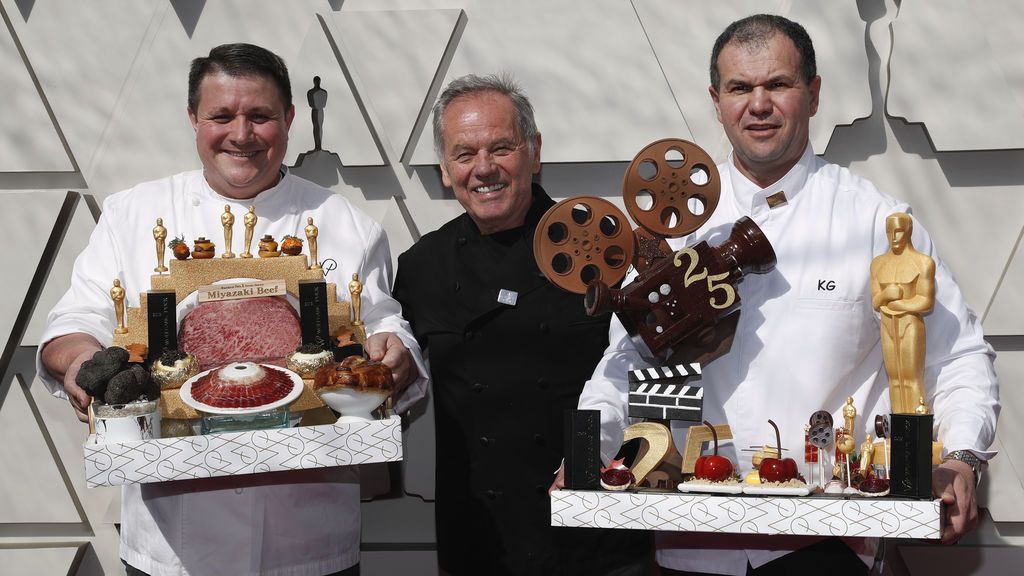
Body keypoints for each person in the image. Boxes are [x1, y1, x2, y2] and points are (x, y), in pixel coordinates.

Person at [562, 14, 998, 576]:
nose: (758, 104)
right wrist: (585, 456)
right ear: (716, 101)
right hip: (689, 544)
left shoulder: (873, 220)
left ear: (813, 96)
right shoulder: (670, 228)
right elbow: (624, 367)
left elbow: (957, 356)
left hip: (827, 547)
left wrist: (961, 458)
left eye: (778, 84)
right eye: (740, 88)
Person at [37, 43, 428, 576]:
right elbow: (74, 324)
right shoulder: (132, 216)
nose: (240, 134)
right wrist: (84, 362)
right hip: (174, 545)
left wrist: (395, 353)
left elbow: (383, 326)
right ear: (193, 119)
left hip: (310, 544)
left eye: (260, 116)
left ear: (289, 119)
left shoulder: (346, 226)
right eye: (221, 115)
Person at [393, 74, 651, 575]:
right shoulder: (423, 265)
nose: (484, 168)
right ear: (445, 170)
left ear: (534, 152)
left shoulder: (603, 245)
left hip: (598, 536)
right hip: (479, 539)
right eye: (464, 154)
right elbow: (397, 379)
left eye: (502, 148)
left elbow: (647, 375)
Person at [872, 212, 936, 414]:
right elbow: (875, 301)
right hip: (887, 324)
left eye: (898, 231)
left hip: (910, 323)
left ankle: (916, 429)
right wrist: (886, 295)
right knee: (895, 378)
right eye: (889, 232)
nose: (894, 237)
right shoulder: (878, 264)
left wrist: (900, 305)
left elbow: (926, 301)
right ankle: (899, 434)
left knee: (911, 376)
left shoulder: (923, 262)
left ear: (908, 231)